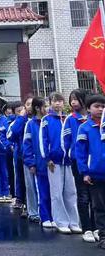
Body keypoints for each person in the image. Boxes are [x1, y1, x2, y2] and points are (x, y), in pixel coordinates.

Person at [40, 92, 80, 234]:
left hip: (68, 161)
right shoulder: (46, 119)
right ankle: (61, 221)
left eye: (60, 101)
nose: (58, 104)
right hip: (54, 161)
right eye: (55, 101)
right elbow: (43, 140)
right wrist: (47, 158)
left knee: (71, 192)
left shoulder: (68, 119)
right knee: (56, 193)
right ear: (50, 103)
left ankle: (74, 222)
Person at [64, 89, 96, 243]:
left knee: (96, 197)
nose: (73, 102)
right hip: (78, 162)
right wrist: (71, 155)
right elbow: (66, 139)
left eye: (76, 99)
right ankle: (87, 228)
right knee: (83, 196)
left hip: (95, 163)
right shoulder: (71, 119)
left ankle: (96, 227)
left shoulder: (95, 119)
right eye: (71, 99)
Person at [76, 94, 105, 249]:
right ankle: (103, 236)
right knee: (99, 207)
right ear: (88, 109)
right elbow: (80, 152)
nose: (100, 109)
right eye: (96, 106)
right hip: (95, 174)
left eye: (103, 106)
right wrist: (84, 172)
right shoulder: (84, 128)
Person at [23, 97, 53, 228]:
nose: (48, 108)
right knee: (43, 191)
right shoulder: (30, 124)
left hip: (53, 163)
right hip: (39, 164)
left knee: (55, 192)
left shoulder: (51, 121)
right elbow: (27, 145)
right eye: (45, 106)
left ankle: (55, 216)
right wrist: (31, 163)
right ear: (37, 108)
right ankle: (45, 216)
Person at [7, 96, 36, 220]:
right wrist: (21, 117)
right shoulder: (20, 120)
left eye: (33, 104)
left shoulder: (40, 120)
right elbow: (11, 135)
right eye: (28, 104)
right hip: (22, 155)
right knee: (24, 181)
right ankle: (25, 204)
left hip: (39, 156)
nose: (31, 106)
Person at [6, 101, 27, 212]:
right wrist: (21, 118)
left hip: (32, 154)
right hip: (19, 153)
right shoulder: (16, 121)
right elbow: (10, 135)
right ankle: (20, 198)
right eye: (18, 111)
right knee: (19, 177)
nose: (21, 112)